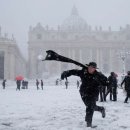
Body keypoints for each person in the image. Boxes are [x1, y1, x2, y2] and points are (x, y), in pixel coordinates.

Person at [61, 62, 107, 127]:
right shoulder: (83, 72)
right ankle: (101, 109)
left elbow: (106, 81)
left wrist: (104, 81)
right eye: (90, 67)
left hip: (93, 93)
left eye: (92, 68)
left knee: (90, 107)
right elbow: (73, 72)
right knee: (91, 106)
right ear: (88, 67)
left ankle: (89, 123)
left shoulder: (98, 75)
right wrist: (66, 73)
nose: (91, 69)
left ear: (95, 69)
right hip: (84, 92)